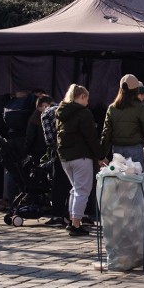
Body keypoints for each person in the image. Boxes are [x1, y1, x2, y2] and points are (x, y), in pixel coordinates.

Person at [55, 85, 107, 236]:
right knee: (82, 190)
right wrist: (100, 155)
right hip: (81, 156)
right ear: (82, 97)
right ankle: (76, 224)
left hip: (65, 157)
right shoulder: (84, 114)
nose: (88, 101)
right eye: (87, 98)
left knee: (75, 189)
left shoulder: (61, 113)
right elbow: (91, 137)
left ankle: (72, 219)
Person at [101, 74, 144, 166]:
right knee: (136, 178)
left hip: (117, 151)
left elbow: (106, 133)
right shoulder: (140, 107)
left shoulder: (112, 108)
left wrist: (102, 156)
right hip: (135, 149)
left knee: (119, 179)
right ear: (136, 90)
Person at [40, 99, 70, 226]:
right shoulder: (71, 111)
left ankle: (57, 216)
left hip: (59, 152)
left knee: (58, 184)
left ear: (45, 105)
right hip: (77, 152)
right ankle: (74, 216)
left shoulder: (47, 113)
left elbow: (49, 139)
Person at [25, 95, 53, 161]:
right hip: (54, 151)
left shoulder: (35, 116)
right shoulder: (57, 112)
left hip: (38, 152)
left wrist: (26, 150)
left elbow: (30, 136)